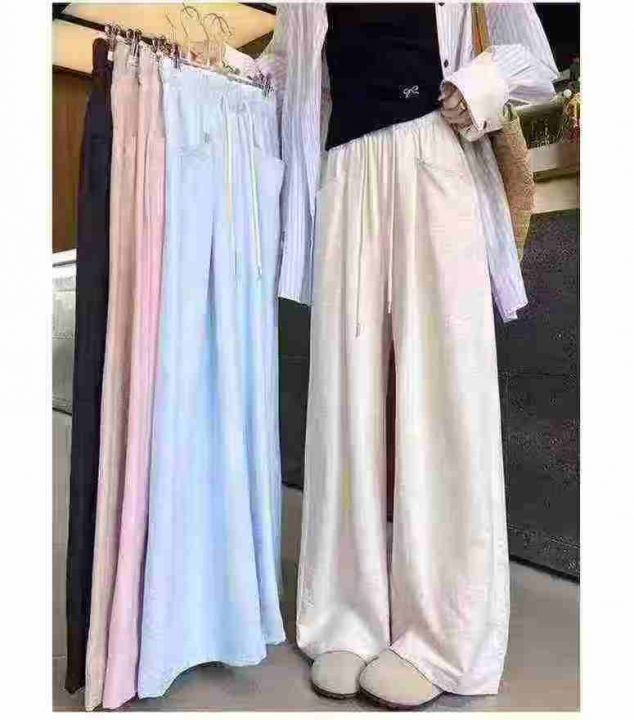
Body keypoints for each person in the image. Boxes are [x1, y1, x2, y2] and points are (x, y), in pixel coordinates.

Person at [262, 1, 558, 710]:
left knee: (446, 393)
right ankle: (346, 615)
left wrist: (478, 86)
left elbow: (534, 60)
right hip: (344, 171)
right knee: (344, 393)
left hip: (436, 155)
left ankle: (443, 634)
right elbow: (283, 70)